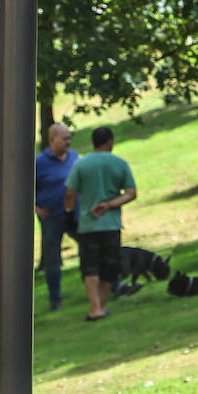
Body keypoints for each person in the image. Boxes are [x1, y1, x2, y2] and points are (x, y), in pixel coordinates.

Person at [63, 126, 136, 322]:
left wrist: (69, 212)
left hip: (88, 225)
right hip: (111, 224)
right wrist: (110, 204)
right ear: (110, 141)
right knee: (109, 267)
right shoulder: (120, 163)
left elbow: (70, 193)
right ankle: (102, 306)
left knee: (90, 267)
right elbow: (131, 193)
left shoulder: (81, 164)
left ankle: (94, 308)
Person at [35, 123, 77, 312]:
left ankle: (107, 286)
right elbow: (21, 188)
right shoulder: (39, 163)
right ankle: (55, 300)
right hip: (51, 217)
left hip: (75, 213)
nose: (68, 142)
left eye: (70, 138)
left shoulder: (74, 157)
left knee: (92, 247)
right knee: (53, 258)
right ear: (52, 140)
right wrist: (34, 207)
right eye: (64, 139)